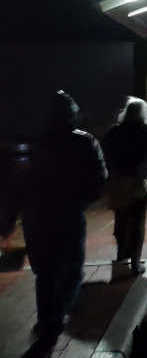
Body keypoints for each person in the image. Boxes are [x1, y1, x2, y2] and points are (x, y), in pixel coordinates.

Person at [18, 91, 107, 357]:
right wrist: (82, 200)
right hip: (69, 214)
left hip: (37, 218)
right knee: (71, 266)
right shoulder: (85, 141)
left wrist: (12, 216)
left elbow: (18, 182)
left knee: (45, 273)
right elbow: (99, 177)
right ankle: (61, 310)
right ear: (72, 113)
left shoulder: (34, 143)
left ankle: (49, 321)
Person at [103, 97, 147, 279]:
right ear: (144, 114)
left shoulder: (114, 132)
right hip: (137, 182)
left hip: (117, 182)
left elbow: (103, 153)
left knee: (120, 218)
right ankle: (135, 261)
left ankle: (121, 254)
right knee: (137, 221)